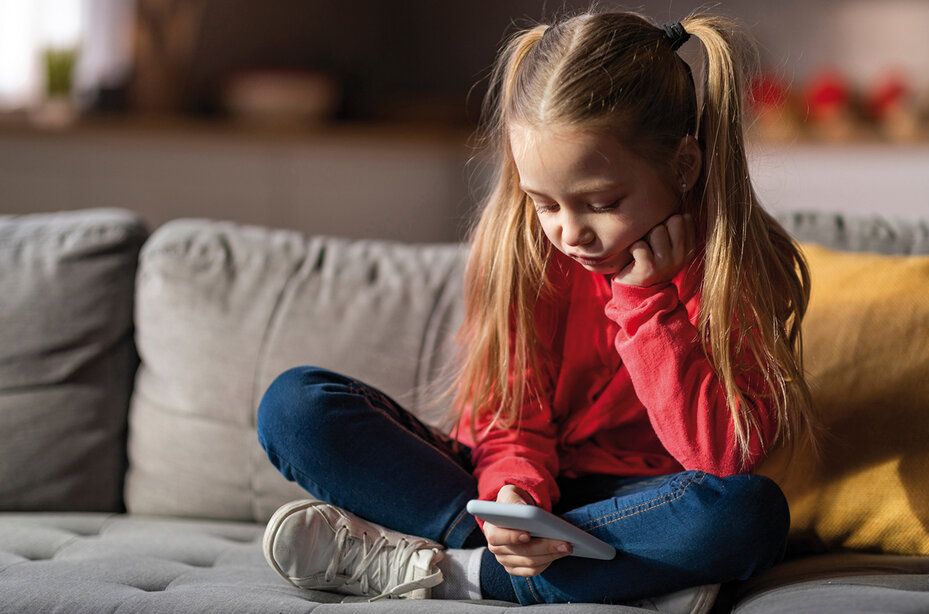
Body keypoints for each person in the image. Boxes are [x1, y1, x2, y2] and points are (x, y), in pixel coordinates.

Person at [256, 6, 822, 611]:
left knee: (748, 514)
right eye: (545, 203)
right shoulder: (523, 250)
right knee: (295, 406)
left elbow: (719, 456)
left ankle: (454, 575)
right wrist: (514, 498)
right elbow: (512, 422)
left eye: (601, 202)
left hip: (645, 507)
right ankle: (555, 565)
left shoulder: (732, 263)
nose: (569, 232)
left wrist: (647, 302)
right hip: (525, 492)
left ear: (683, 165)